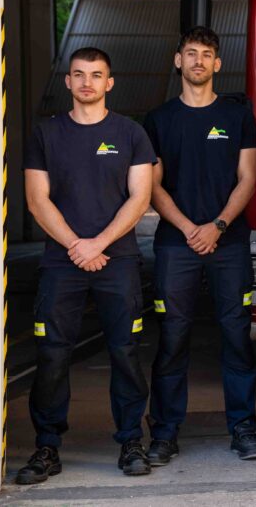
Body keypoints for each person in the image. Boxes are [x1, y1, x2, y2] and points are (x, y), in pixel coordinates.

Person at [18, 47, 155, 483]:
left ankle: (132, 441)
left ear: (109, 83)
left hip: (118, 262)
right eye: (79, 75)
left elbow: (140, 197)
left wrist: (98, 243)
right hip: (62, 263)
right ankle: (46, 447)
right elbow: (37, 199)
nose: (87, 83)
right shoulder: (46, 134)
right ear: (68, 81)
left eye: (96, 75)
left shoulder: (131, 133)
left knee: (125, 353)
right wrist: (77, 245)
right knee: (52, 355)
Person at [143, 26, 256, 464]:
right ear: (178, 61)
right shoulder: (158, 119)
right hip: (176, 246)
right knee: (172, 338)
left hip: (228, 244)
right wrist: (190, 228)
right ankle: (165, 432)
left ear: (217, 64)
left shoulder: (237, 116)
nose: (197, 61)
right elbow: (151, 186)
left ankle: (244, 428)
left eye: (206, 54)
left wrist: (216, 225)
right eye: (190, 53)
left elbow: (248, 178)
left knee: (237, 337)